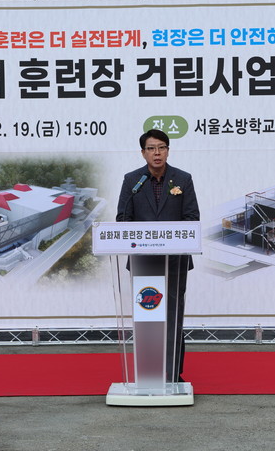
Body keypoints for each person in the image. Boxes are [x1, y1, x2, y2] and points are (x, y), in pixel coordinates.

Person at [116, 129, 200, 383]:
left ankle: (173, 374)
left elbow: (191, 218)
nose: (157, 153)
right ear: (143, 153)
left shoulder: (182, 179)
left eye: (161, 147)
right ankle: (148, 372)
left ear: (168, 151)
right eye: (151, 148)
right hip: (143, 261)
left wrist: (167, 237)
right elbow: (123, 217)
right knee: (147, 316)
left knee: (173, 317)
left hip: (175, 262)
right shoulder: (132, 180)